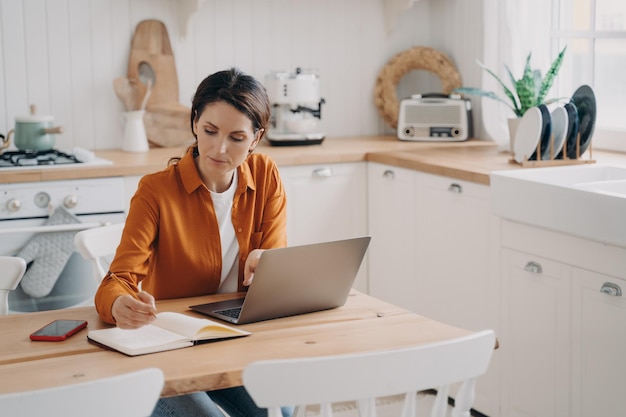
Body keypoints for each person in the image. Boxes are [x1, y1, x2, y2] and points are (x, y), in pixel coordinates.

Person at [94, 68, 292, 417]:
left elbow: (276, 269)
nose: (219, 148)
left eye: (237, 138)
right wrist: (119, 304)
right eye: (210, 131)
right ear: (195, 123)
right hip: (169, 346)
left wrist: (266, 261)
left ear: (256, 138)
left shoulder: (265, 175)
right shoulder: (155, 191)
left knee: (280, 411)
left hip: (238, 338)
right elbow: (116, 281)